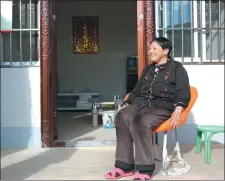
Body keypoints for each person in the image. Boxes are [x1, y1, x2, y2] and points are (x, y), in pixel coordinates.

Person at [104, 37, 191, 180]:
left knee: (140, 120)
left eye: (154, 48)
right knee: (122, 116)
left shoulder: (177, 68)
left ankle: (145, 169)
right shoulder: (148, 69)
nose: (150, 51)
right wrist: (126, 102)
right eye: (150, 48)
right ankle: (124, 166)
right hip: (141, 103)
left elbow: (184, 92)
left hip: (162, 106)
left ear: (166, 50)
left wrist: (178, 110)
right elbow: (137, 90)